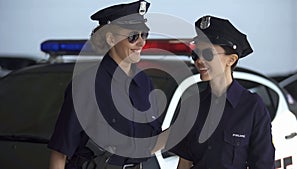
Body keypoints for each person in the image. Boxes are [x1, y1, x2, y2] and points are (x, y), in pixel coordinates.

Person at [48, 1, 162, 169]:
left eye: (144, 34)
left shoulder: (144, 83)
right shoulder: (86, 85)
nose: (141, 43)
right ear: (110, 38)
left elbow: (152, 143)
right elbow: (60, 153)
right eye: (132, 37)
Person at [169, 15, 275, 169]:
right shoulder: (193, 104)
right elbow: (184, 162)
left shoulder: (252, 107)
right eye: (196, 54)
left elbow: (263, 165)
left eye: (208, 54)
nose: (199, 61)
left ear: (231, 60)